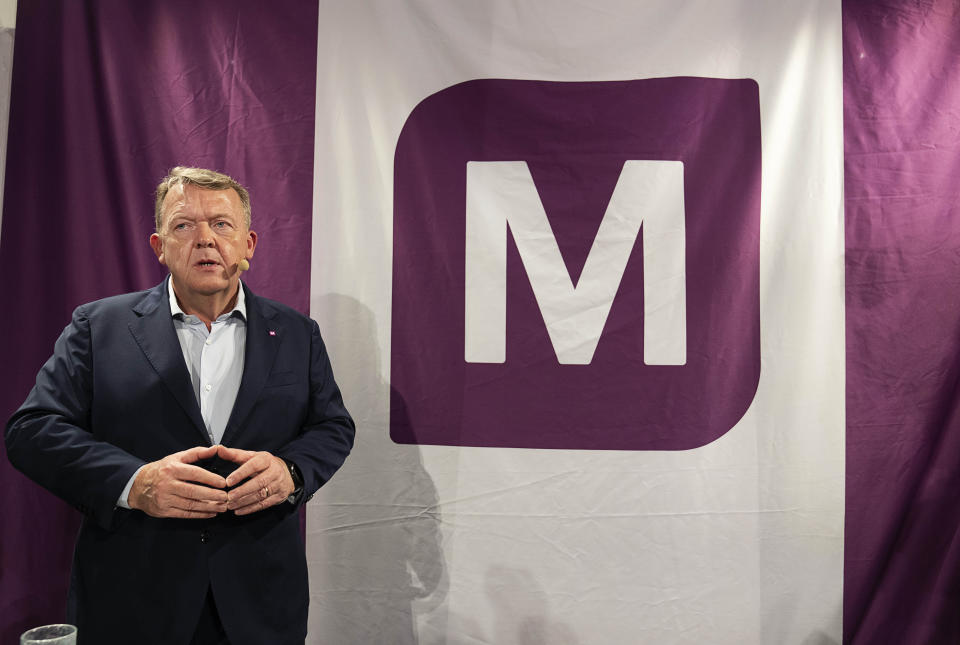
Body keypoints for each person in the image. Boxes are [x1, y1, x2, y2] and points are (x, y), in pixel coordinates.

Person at [5, 167, 355, 644]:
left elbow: (333, 426)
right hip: (132, 600)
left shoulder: (298, 334)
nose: (205, 239)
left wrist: (292, 471)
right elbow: (32, 431)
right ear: (159, 246)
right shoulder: (97, 326)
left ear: (249, 244)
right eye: (184, 225)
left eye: (222, 224)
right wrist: (135, 482)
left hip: (260, 603)